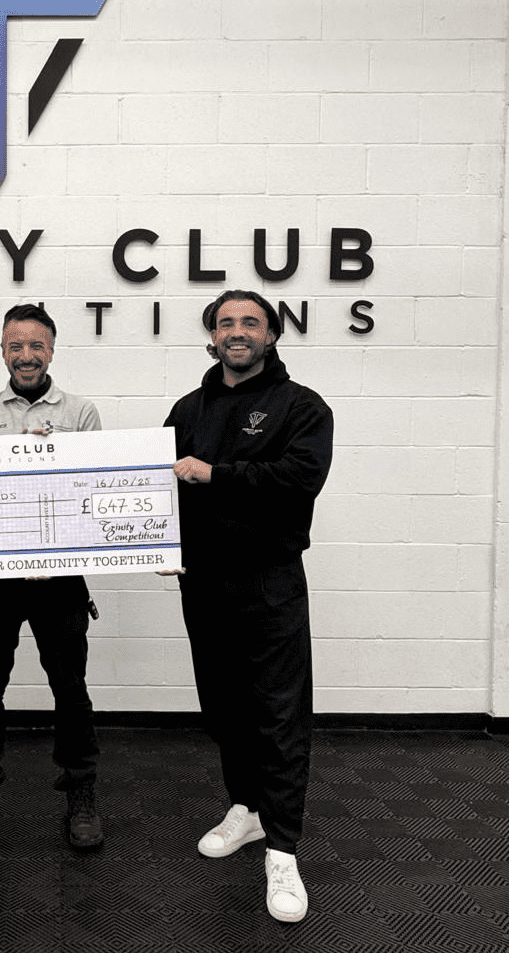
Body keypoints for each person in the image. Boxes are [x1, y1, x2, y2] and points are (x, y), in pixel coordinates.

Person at [163, 290, 333, 923]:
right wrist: (158, 539)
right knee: (224, 707)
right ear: (212, 336)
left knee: (278, 715)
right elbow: (159, 486)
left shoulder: (302, 407)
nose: (237, 331)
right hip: (204, 583)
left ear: (271, 335)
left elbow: (300, 478)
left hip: (269, 581)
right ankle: (248, 808)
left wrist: (217, 474)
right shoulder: (187, 409)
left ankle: (283, 852)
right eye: (226, 322)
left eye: (250, 322)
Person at [0, 304, 104, 850]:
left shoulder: (81, 413)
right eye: (16, 346)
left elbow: (91, 495)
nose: (26, 356)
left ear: (52, 351)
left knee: (71, 690)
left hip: (59, 580)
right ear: (2, 351)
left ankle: (80, 792)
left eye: (36, 345)